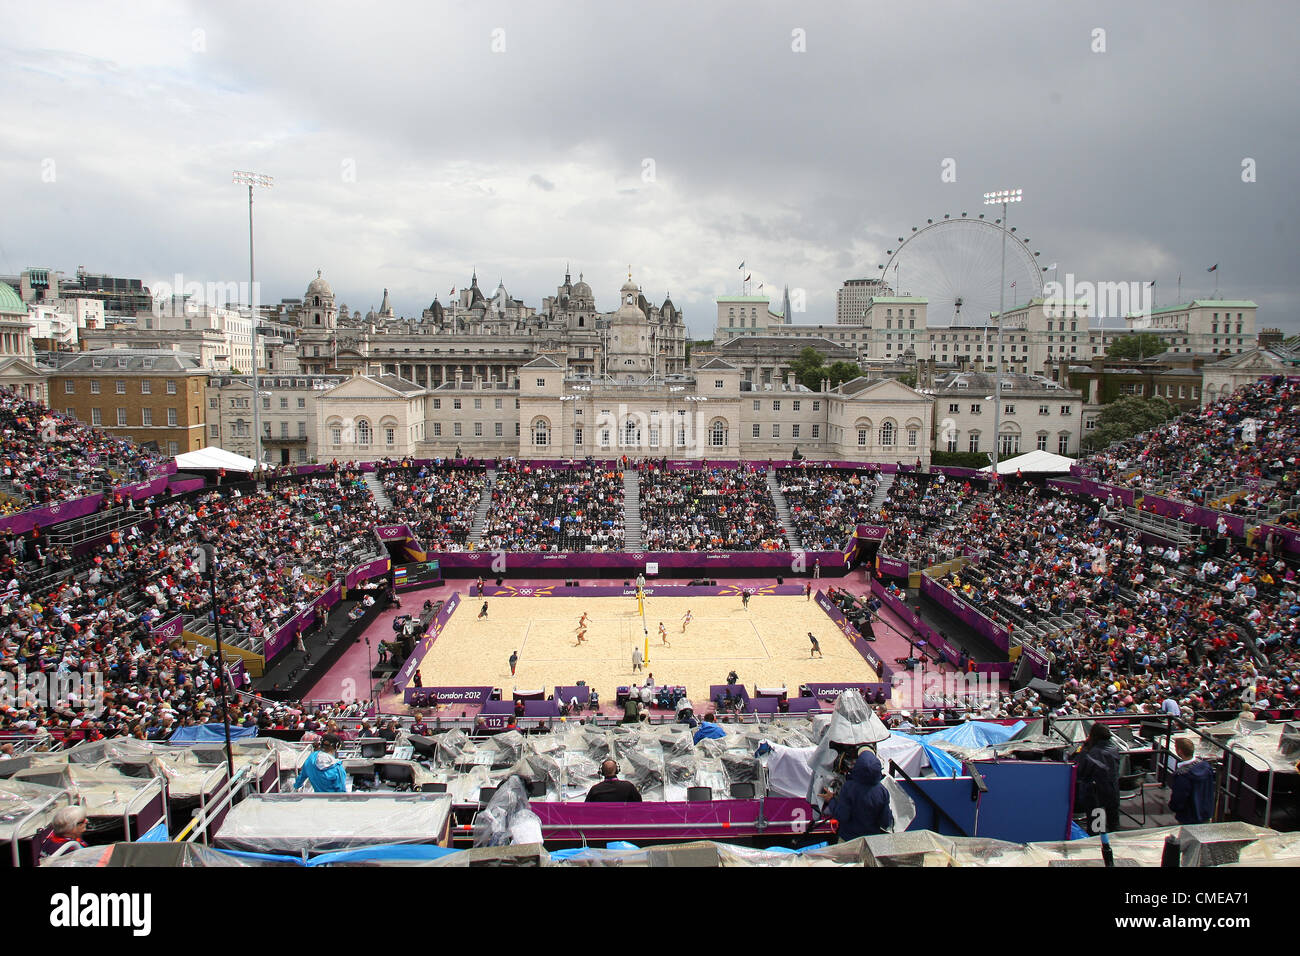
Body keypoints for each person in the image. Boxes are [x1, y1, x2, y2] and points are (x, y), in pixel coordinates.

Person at [820, 749, 893, 841]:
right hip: (871, 842)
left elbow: (842, 816)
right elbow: (885, 822)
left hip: (848, 840)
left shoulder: (848, 788)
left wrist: (831, 800)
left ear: (857, 766)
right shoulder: (883, 791)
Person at [1074, 723, 1122, 834]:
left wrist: (1084, 747)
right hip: (1113, 791)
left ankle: (1097, 847)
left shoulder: (1088, 753)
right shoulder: (1114, 749)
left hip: (1096, 795)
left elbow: (1079, 772)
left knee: (1097, 829)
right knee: (1115, 826)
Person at [1168, 737, 1215, 824]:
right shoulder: (1207, 768)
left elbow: (1178, 799)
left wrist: (1173, 807)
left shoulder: (1182, 776)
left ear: (1180, 751)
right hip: (1205, 814)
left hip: (1188, 817)